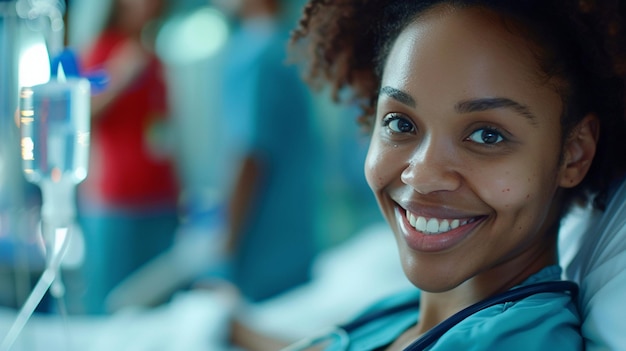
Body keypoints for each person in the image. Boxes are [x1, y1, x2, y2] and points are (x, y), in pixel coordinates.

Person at [228, 0, 626, 350]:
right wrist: (231, 328)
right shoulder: (412, 309)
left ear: (574, 155)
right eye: (401, 124)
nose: (421, 175)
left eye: (487, 135)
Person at [73, 0, 181, 314]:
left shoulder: (153, 57)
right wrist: (119, 75)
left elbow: (163, 129)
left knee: (156, 304)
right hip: (116, 201)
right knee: (109, 304)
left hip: (161, 198)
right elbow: (82, 115)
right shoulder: (102, 52)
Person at [208, 0, 320, 302]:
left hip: (262, 251)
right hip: (293, 244)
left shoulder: (256, 56)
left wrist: (225, 245)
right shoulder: (285, 49)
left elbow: (249, 156)